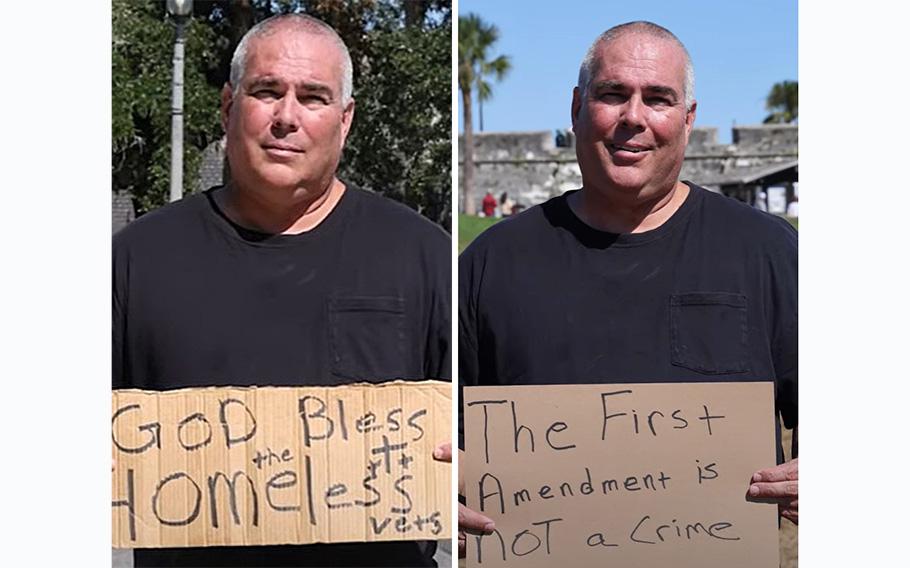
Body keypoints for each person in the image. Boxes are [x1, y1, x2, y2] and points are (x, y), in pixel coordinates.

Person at [113, 14, 451, 567]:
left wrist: (461, 473)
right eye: (267, 91)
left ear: (345, 121)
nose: (286, 118)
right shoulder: (135, 259)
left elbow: (472, 430)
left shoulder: (423, 256)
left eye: (312, 97)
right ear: (228, 108)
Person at [458, 21, 797, 557]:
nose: (632, 118)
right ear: (576, 109)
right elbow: (444, 438)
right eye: (612, 94)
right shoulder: (488, 264)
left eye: (657, 99)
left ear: (687, 121)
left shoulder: (770, 253)